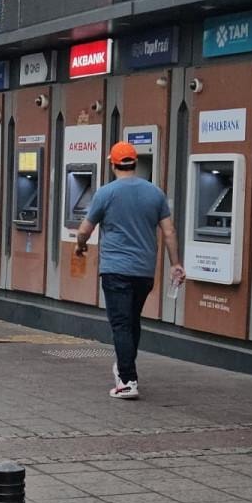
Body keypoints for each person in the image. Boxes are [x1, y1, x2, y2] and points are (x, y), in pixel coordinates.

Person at [76, 142, 184, 400]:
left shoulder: (106, 193)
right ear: (134, 162)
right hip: (144, 271)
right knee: (132, 321)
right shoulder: (155, 193)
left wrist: (80, 246)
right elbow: (169, 231)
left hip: (116, 269)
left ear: (113, 164)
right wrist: (176, 264)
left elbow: (84, 230)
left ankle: (127, 380)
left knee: (121, 324)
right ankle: (125, 367)